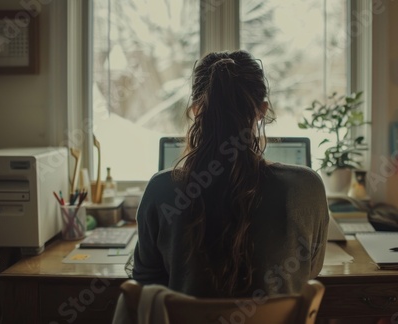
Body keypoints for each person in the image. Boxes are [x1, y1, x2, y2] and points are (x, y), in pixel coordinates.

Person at [132, 50, 329, 298]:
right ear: (262, 110)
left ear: (195, 110)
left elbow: (145, 283)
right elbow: (308, 272)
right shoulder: (306, 187)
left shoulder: (161, 189)